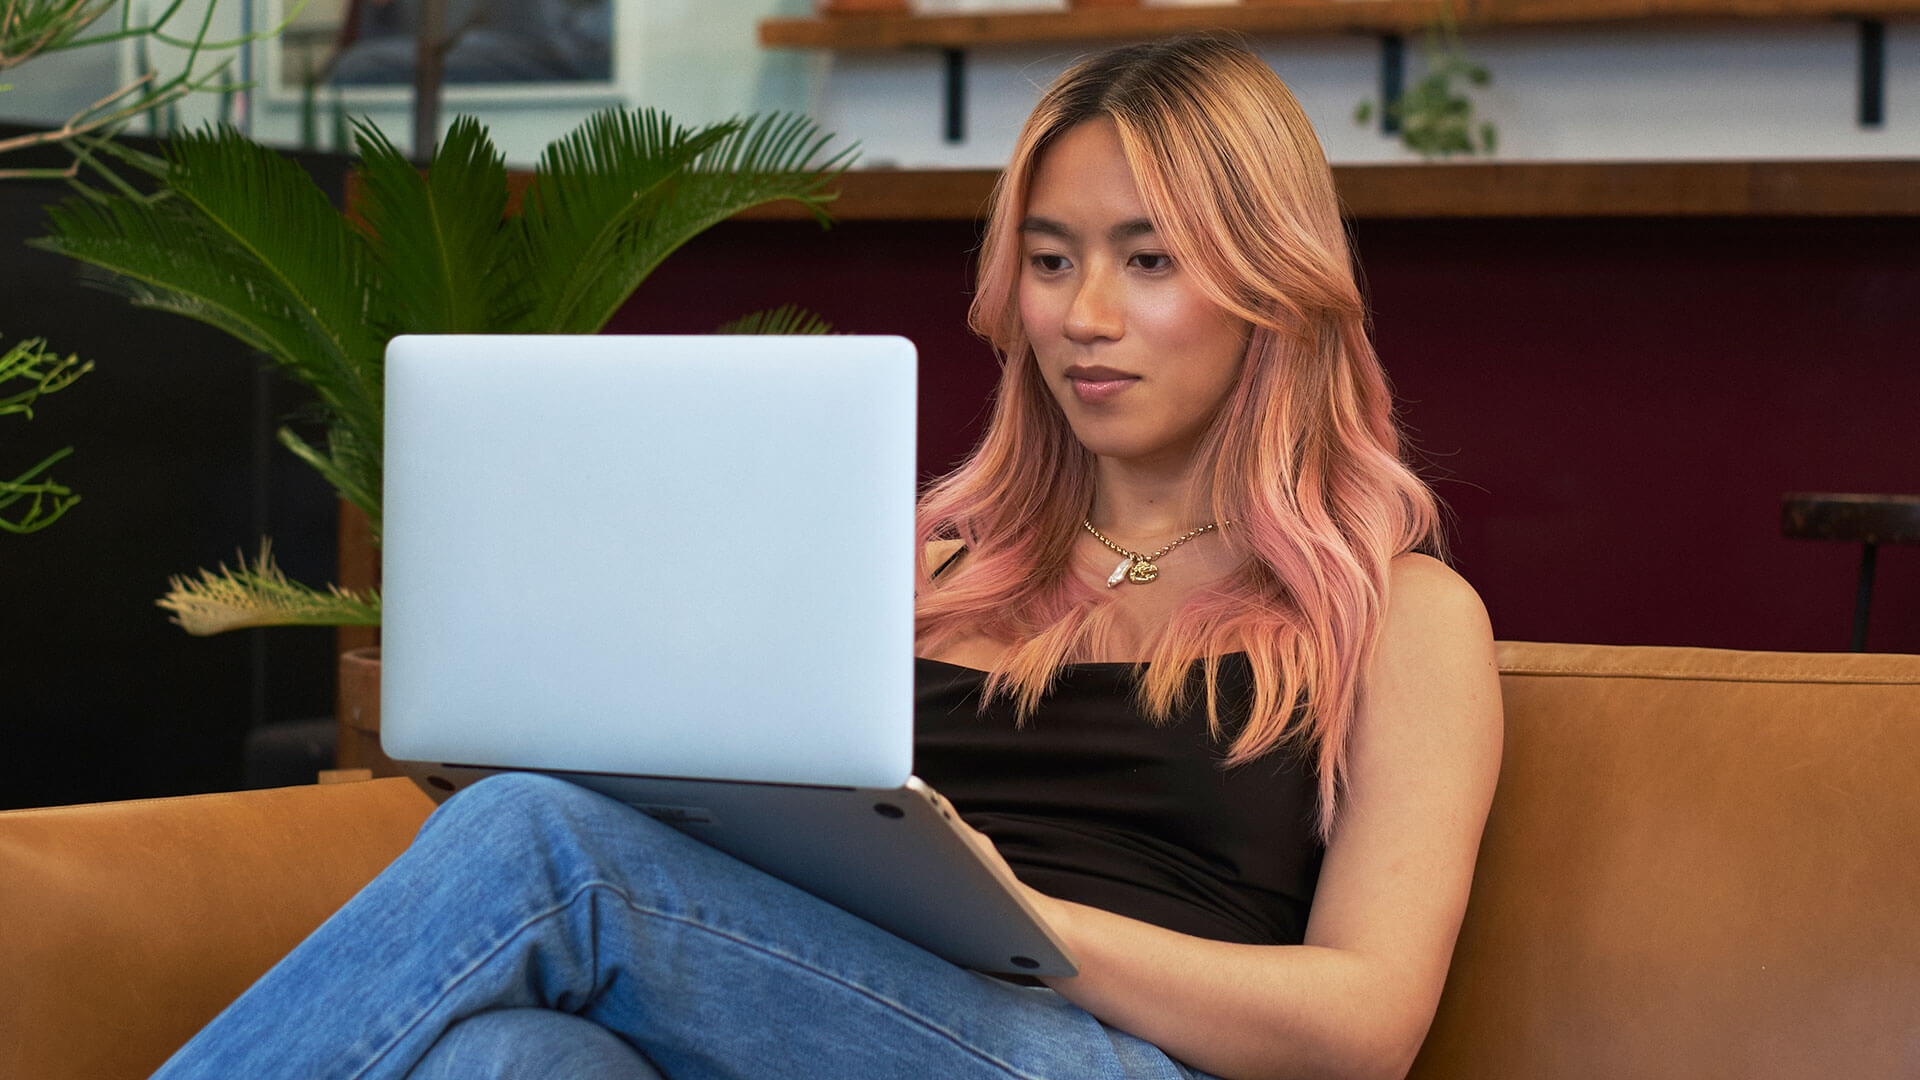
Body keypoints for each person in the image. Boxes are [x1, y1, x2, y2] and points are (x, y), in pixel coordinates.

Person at [152, 34, 1500, 1080]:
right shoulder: (911, 567)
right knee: (513, 1059)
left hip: (1101, 1055)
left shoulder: (1401, 615)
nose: (1085, 315)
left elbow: (1365, 1028)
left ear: (1270, 278)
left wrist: (1026, 923)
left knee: (538, 845)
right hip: (837, 1028)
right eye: (1049, 259)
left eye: (1148, 260)